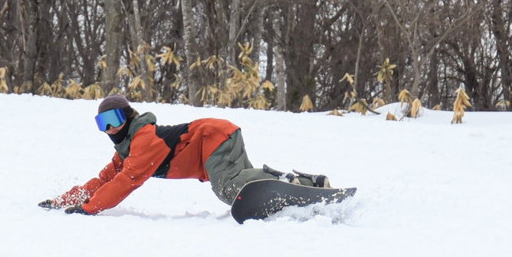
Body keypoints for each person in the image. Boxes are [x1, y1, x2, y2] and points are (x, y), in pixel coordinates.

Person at [39, 94, 329, 215]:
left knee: (228, 189)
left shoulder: (144, 140)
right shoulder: (127, 149)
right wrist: (64, 201)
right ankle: (302, 187)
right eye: (103, 125)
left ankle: (288, 180)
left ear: (128, 116)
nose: (111, 129)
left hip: (212, 136)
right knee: (244, 188)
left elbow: (126, 181)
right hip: (219, 136)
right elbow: (104, 181)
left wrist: (91, 209)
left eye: (114, 119)